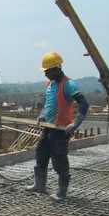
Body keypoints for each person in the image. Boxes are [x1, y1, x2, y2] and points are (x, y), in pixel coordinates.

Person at [25, 52, 89, 201]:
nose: (45, 74)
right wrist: (43, 115)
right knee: (41, 153)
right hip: (49, 126)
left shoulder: (69, 84)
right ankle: (39, 185)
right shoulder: (50, 84)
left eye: (47, 71)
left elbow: (84, 103)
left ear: (55, 69)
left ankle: (61, 191)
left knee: (59, 160)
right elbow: (49, 104)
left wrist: (75, 123)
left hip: (61, 129)